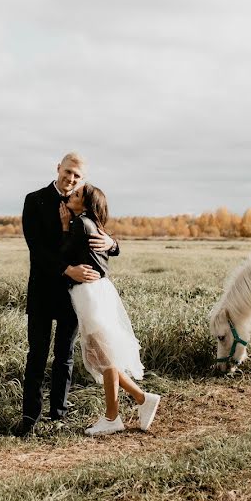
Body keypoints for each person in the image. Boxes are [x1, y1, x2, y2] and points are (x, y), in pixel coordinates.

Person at [15, 153, 117, 437]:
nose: (71, 179)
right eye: (68, 172)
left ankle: (57, 414)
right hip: (42, 291)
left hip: (74, 295)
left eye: (77, 176)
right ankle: (29, 419)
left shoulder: (84, 202)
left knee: (65, 355)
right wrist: (66, 269)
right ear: (58, 168)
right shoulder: (33, 200)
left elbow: (99, 232)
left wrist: (112, 243)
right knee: (36, 355)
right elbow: (36, 247)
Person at [60, 183, 160, 436]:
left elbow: (64, 254)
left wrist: (64, 227)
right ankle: (141, 398)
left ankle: (113, 417)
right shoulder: (91, 224)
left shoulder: (80, 223)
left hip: (89, 294)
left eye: (78, 194)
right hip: (97, 292)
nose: (72, 195)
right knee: (101, 356)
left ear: (87, 203)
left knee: (104, 357)